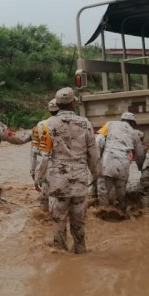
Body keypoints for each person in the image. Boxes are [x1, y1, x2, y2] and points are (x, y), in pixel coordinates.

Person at [34, 87, 100, 253]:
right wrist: (96, 174)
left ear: (56, 104)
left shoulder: (48, 125)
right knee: (78, 222)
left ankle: (61, 255)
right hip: (79, 181)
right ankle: (80, 251)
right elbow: (93, 154)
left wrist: (38, 178)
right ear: (73, 103)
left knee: (58, 221)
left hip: (57, 182)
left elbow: (44, 156)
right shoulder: (85, 123)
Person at [97, 111, 145, 211]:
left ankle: (103, 213)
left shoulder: (109, 124)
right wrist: (141, 168)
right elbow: (139, 154)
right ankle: (122, 213)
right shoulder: (134, 133)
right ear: (133, 123)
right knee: (121, 194)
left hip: (107, 163)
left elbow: (98, 141)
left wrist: (97, 159)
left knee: (103, 192)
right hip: (123, 166)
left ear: (122, 120)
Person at [30, 99, 59, 211]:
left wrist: (34, 173)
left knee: (45, 208)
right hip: (70, 172)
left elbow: (35, 151)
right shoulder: (75, 123)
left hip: (47, 170)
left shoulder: (41, 125)